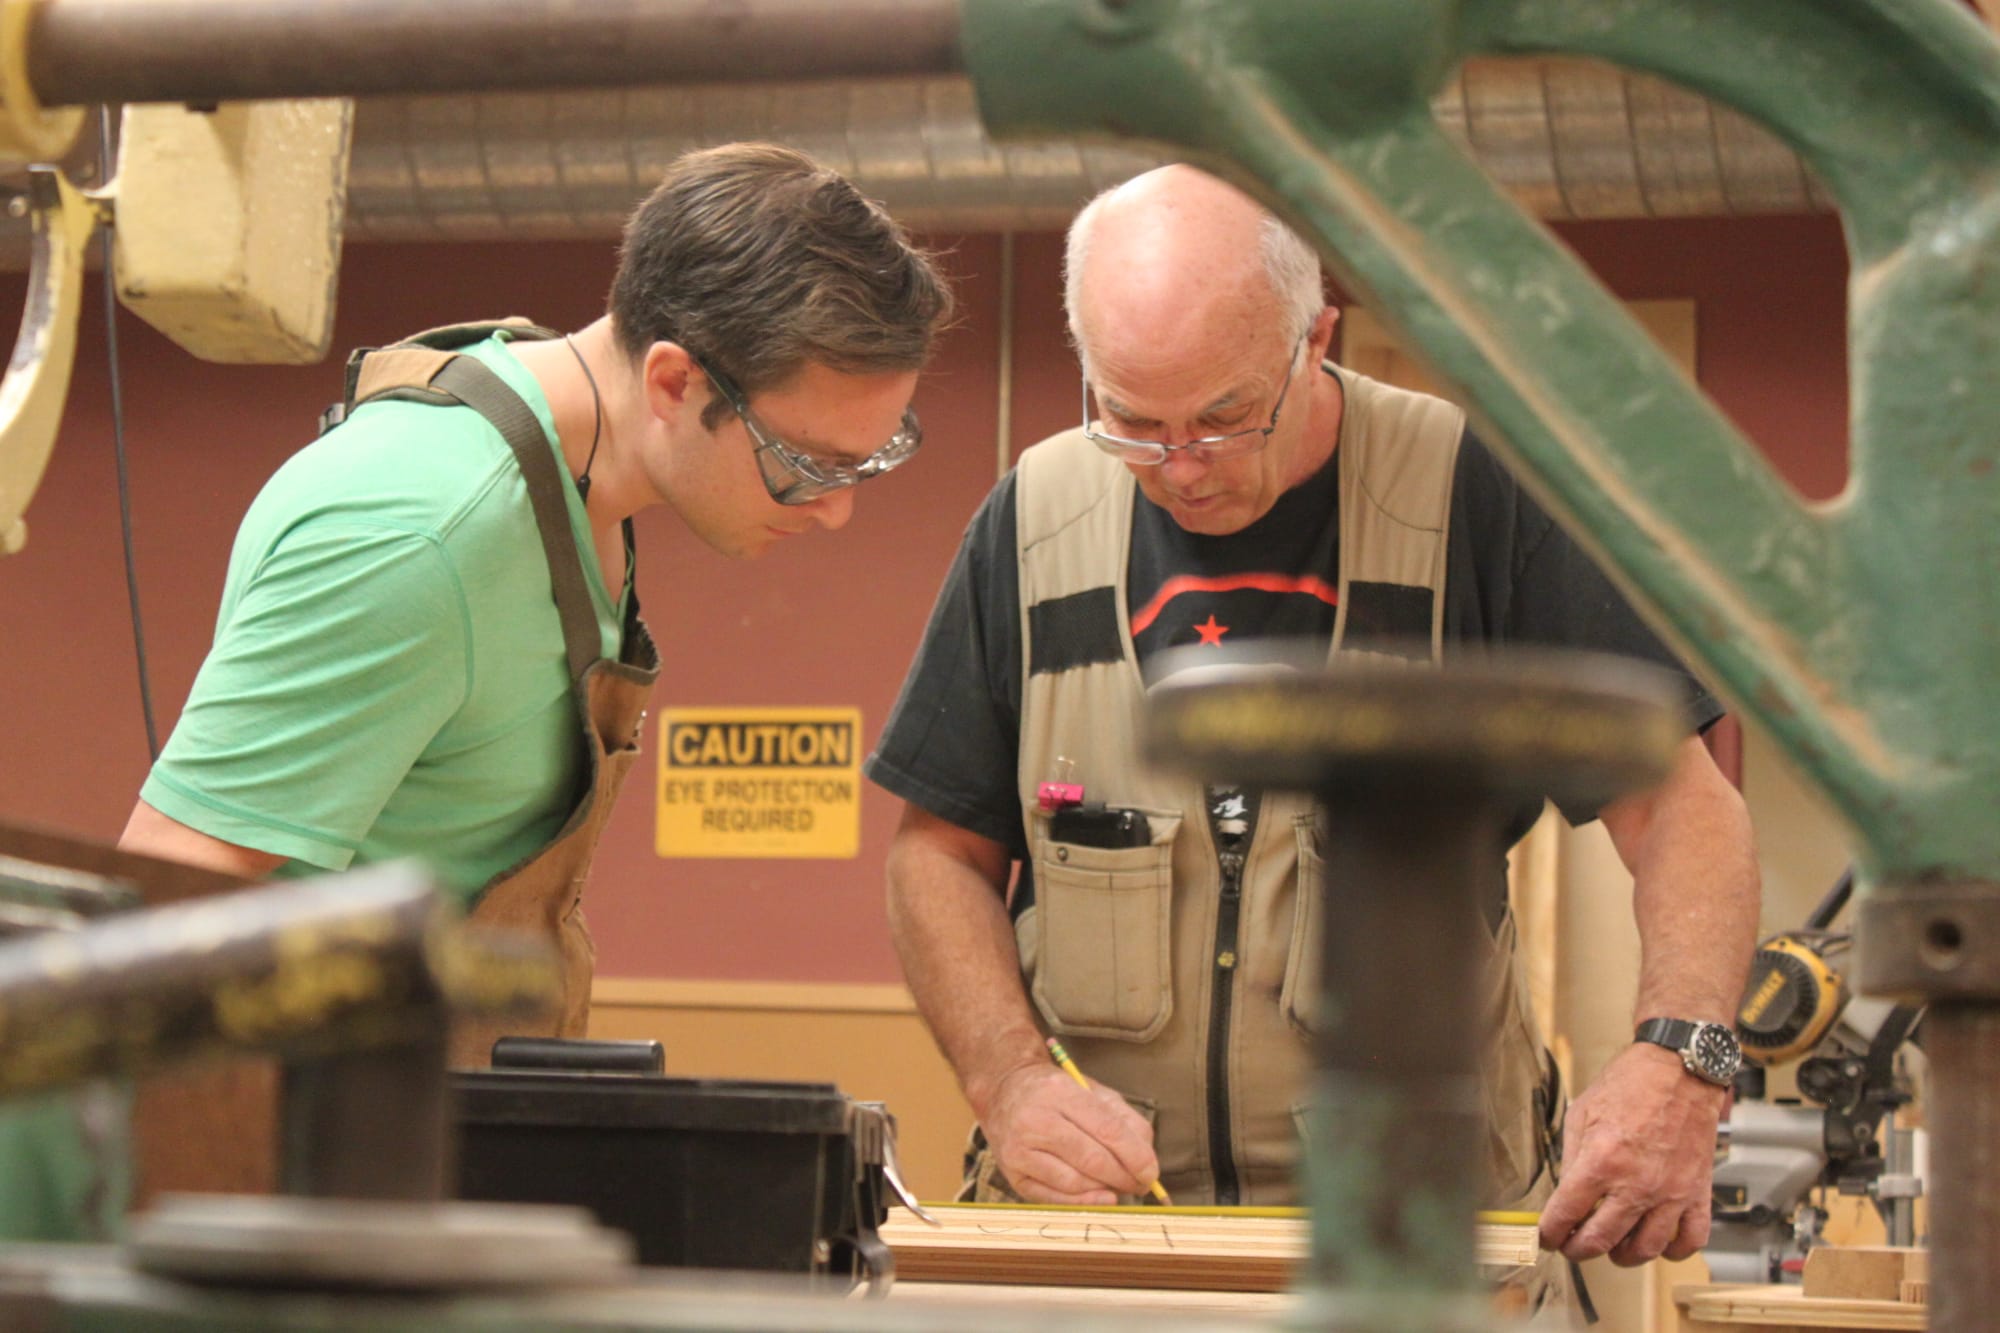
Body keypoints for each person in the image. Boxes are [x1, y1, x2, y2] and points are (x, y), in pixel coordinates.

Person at [865, 165, 1758, 1301]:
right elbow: (935, 852)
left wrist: (1681, 1058)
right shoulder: (1033, 518)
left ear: (1314, 336)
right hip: (1109, 1252)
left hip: (1425, 1251)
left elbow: (1678, 804)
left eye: (1225, 417)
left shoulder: (1463, 492)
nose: (1180, 467)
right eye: (1132, 421)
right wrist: (1008, 1082)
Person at [117, 142, 954, 1065]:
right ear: (675, 382)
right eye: (807, 464)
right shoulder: (423, 530)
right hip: (310, 1148)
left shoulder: (575, 474)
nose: (835, 511)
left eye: (868, 461)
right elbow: (166, 905)